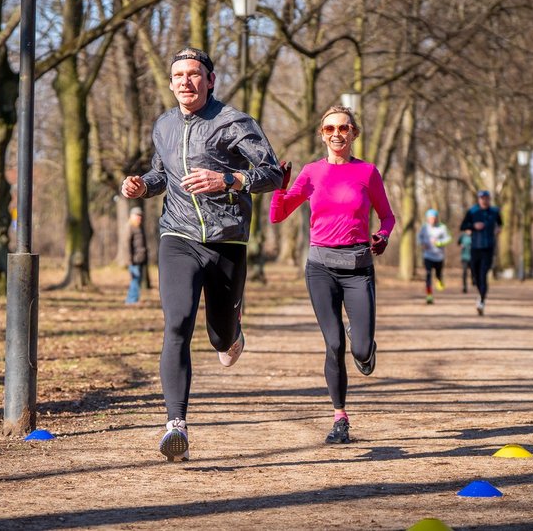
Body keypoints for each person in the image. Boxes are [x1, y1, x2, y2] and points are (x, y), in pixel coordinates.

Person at [120, 47, 282, 462]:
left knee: (219, 337)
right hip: (178, 236)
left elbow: (271, 174)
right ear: (171, 82)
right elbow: (162, 174)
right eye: (178, 75)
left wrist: (227, 179)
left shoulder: (234, 122)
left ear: (210, 79)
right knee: (177, 323)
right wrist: (143, 185)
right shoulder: (164, 125)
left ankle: (232, 331)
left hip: (227, 239)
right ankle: (176, 424)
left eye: (194, 74)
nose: (185, 82)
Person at [269, 106, 395, 445]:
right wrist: (280, 187)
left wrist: (382, 237)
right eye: (329, 129)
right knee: (334, 343)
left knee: (361, 348)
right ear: (322, 134)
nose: (336, 134)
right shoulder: (311, 172)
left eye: (343, 127)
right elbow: (278, 216)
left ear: (354, 133)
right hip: (321, 268)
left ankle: (364, 343)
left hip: (357, 268)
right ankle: (340, 416)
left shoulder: (368, 172)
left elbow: (387, 218)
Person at [459, 190, 503, 315]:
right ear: (478, 199)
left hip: (489, 247)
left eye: (486, 198)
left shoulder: (495, 211)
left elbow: (500, 223)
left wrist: (498, 229)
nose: (484, 200)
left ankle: (482, 301)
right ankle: (480, 294)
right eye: (481, 198)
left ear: (489, 199)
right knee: (475, 274)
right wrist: (473, 226)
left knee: (483, 274)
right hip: (475, 247)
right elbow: (462, 226)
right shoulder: (472, 211)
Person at [417, 208, 451, 304]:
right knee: (428, 274)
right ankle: (429, 295)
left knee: (438, 274)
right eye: (430, 218)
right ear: (427, 219)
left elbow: (449, 238)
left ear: (437, 218)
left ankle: (439, 279)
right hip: (428, 255)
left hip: (439, 256)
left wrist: (439, 243)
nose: (432, 220)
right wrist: (422, 243)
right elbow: (419, 237)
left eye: (434, 218)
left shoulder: (442, 227)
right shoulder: (424, 228)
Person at [125, 207, 147, 304]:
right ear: (131, 216)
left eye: (140, 215)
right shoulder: (129, 227)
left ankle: (133, 298)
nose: (139, 217)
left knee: (137, 280)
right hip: (134, 259)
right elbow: (126, 245)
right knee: (135, 279)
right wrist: (130, 260)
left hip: (140, 258)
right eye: (137, 215)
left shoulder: (139, 227)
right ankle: (131, 300)